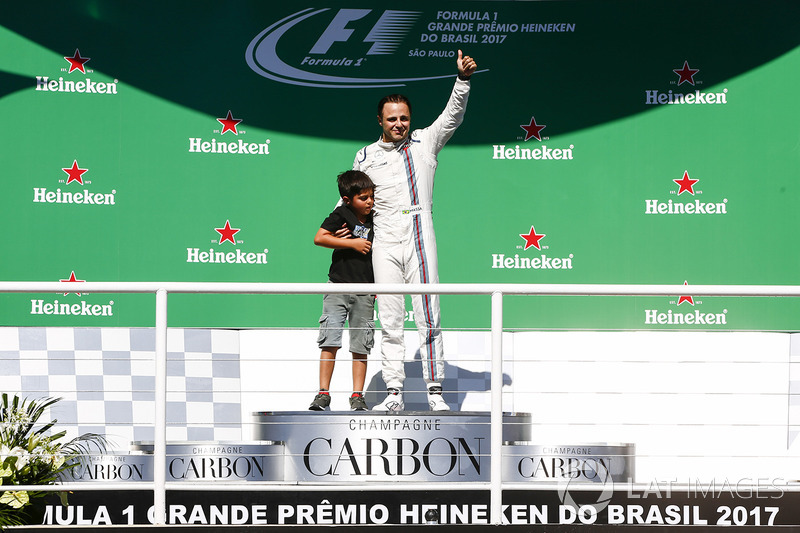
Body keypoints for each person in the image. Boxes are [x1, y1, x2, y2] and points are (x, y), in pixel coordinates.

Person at [352, 50, 478, 412]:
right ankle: (393, 393)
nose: (399, 124)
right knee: (390, 316)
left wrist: (462, 81)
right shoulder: (364, 155)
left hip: (420, 228)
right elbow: (355, 200)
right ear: (380, 120)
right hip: (385, 234)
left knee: (429, 312)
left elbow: (452, 116)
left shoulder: (426, 142)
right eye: (392, 119)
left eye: (404, 118)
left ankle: (435, 392)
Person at [309, 170, 376, 412]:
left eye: (371, 197)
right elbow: (319, 238)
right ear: (348, 200)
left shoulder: (377, 218)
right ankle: (323, 394)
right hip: (337, 286)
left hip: (366, 291)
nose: (369, 202)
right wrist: (351, 243)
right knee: (330, 341)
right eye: (363, 198)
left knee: (361, 345)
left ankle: (357, 395)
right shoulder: (341, 214)